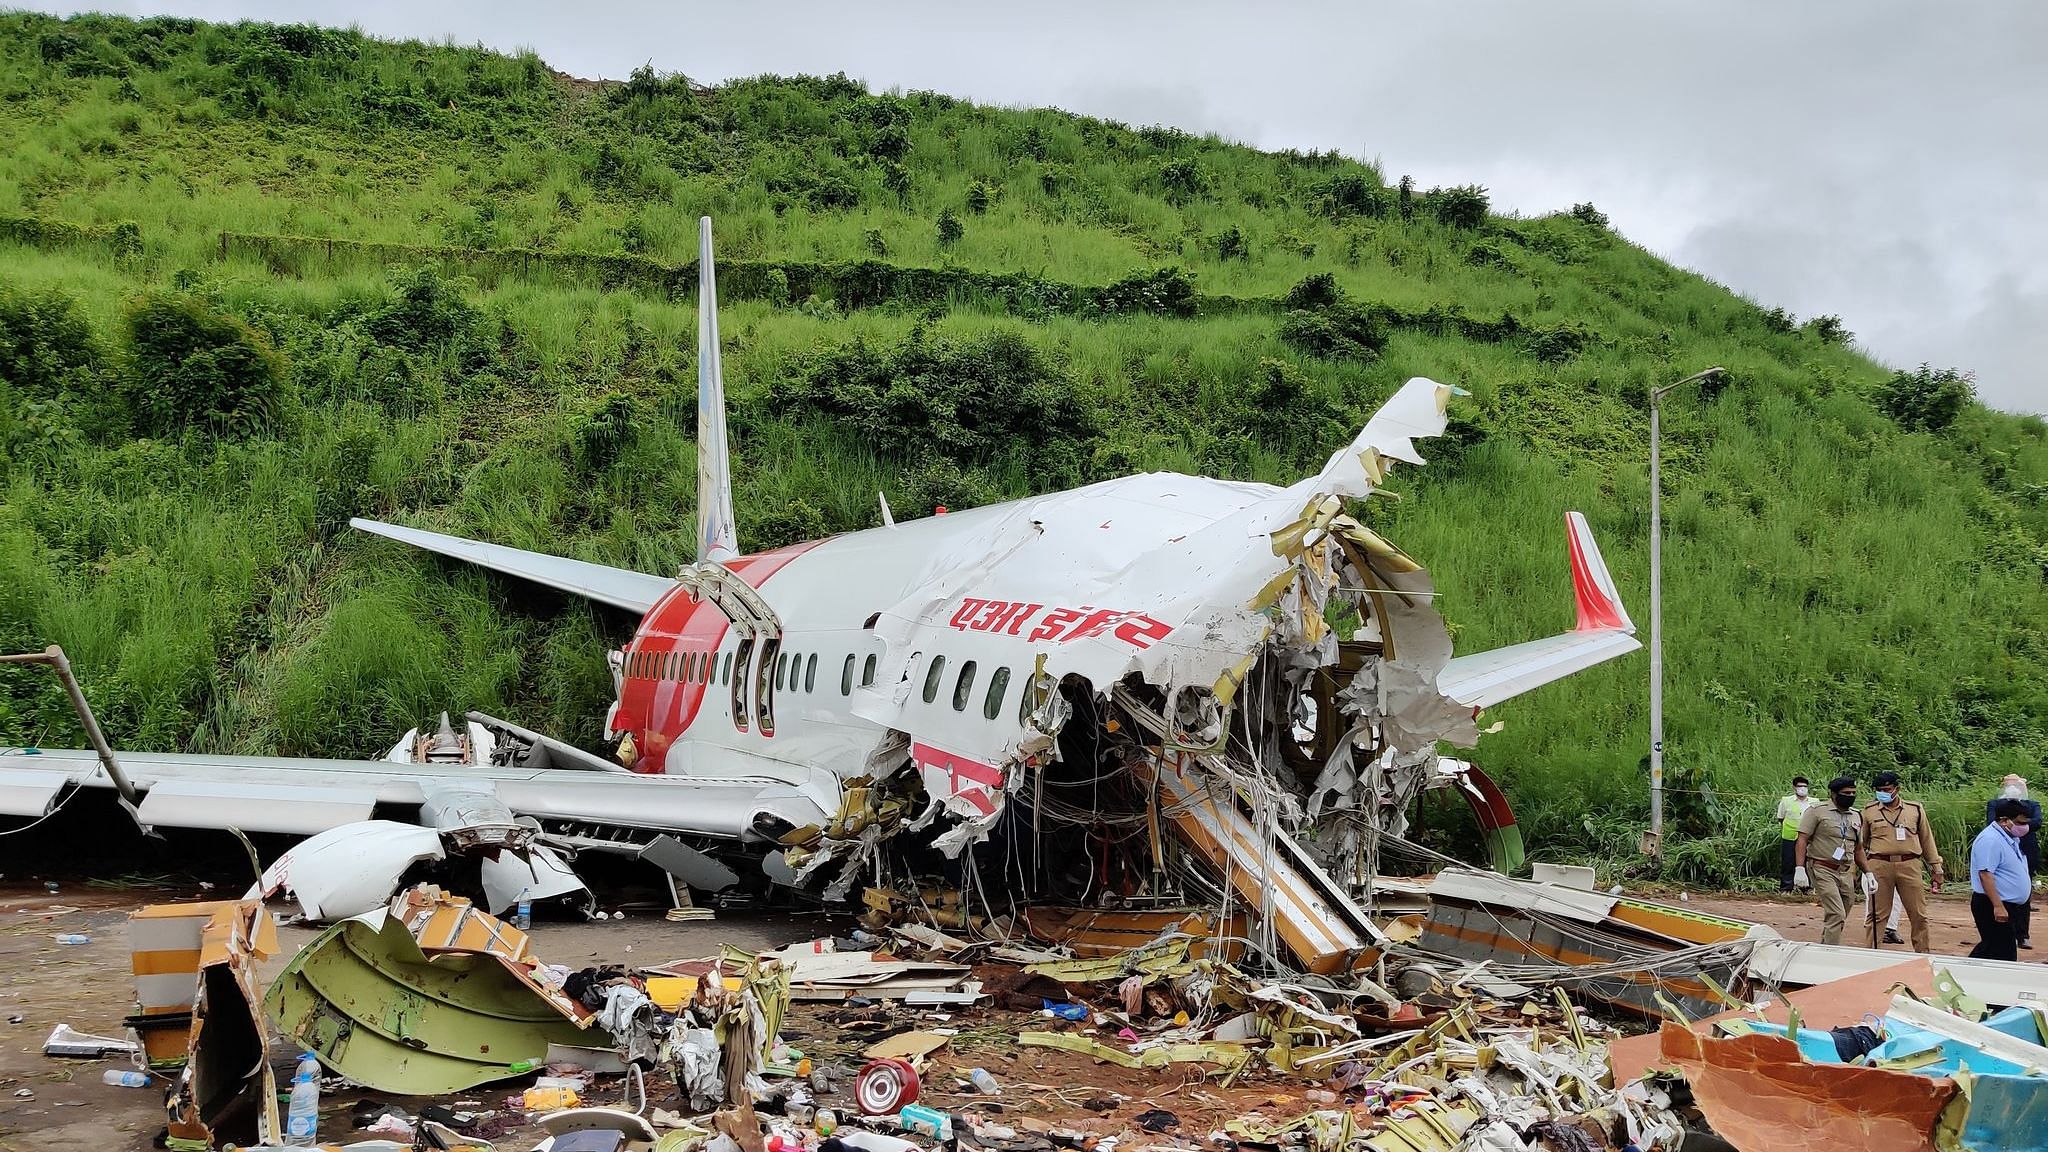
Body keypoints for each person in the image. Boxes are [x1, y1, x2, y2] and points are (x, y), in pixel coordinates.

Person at [1860, 770, 1944, 953]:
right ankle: (1871, 953)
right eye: (1879, 790)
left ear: (1896, 789)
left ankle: (1923, 954)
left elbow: (1927, 840)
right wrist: (1854, 870)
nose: (1883, 793)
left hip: (1910, 864)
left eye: (1887, 789)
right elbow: (1861, 844)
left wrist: (1936, 868)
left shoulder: (1915, 810)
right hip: (1879, 864)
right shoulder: (1869, 811)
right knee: (1876, 914)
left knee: (1919, 914)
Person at [1794, 775, 1868, 946]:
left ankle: (1825, 944)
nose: (1850, 796)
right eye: (1846, 793)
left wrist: (1868, 872)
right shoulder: (1816, 811)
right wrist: (1799, 868)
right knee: (1836, 913)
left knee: (1844, 909)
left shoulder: (1856, 815)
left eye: (1853, 793)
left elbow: (1858, 848)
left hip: (1845, 870)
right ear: (1834, 794)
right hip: (1822, 867)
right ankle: (1830, 951)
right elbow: (1802, 840)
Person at [1968, 799, 2033, 962]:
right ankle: (1963, 973)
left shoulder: (2009, 837)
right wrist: (1998, 906)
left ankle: (1964, 974)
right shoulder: (1990, 840)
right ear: (2004, 820)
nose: (2024, 827)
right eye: (2020, 822)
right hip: (1992, 903)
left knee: (1995, 948)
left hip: (2008, 905)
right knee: (2001, 950)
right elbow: (1985, 874)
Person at [1986, 775, 2040, 949]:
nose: (2013, 787)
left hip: (2025, 850)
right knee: (2002, 891)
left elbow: (2037, 822)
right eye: (2009, 784)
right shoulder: (1995, 804)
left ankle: (2022, 934)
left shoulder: (2031, 805)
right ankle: (2002, 929)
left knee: (2023, 892)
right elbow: (1991, 821)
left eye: (2016, 784)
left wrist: (2018, 827)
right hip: (2003, 851)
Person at [1775, 776, 1820, 891]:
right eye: (1800, 786)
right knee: (1788, 863)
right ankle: (1786, 888)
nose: (1802, 788)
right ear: (1794, 787)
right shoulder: (1786, 801)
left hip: (1809, 838)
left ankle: (1807, 889)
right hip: (1790, 836)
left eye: (1805, 786)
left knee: (1808, 863)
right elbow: (1781, 818)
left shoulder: (1815, 802)